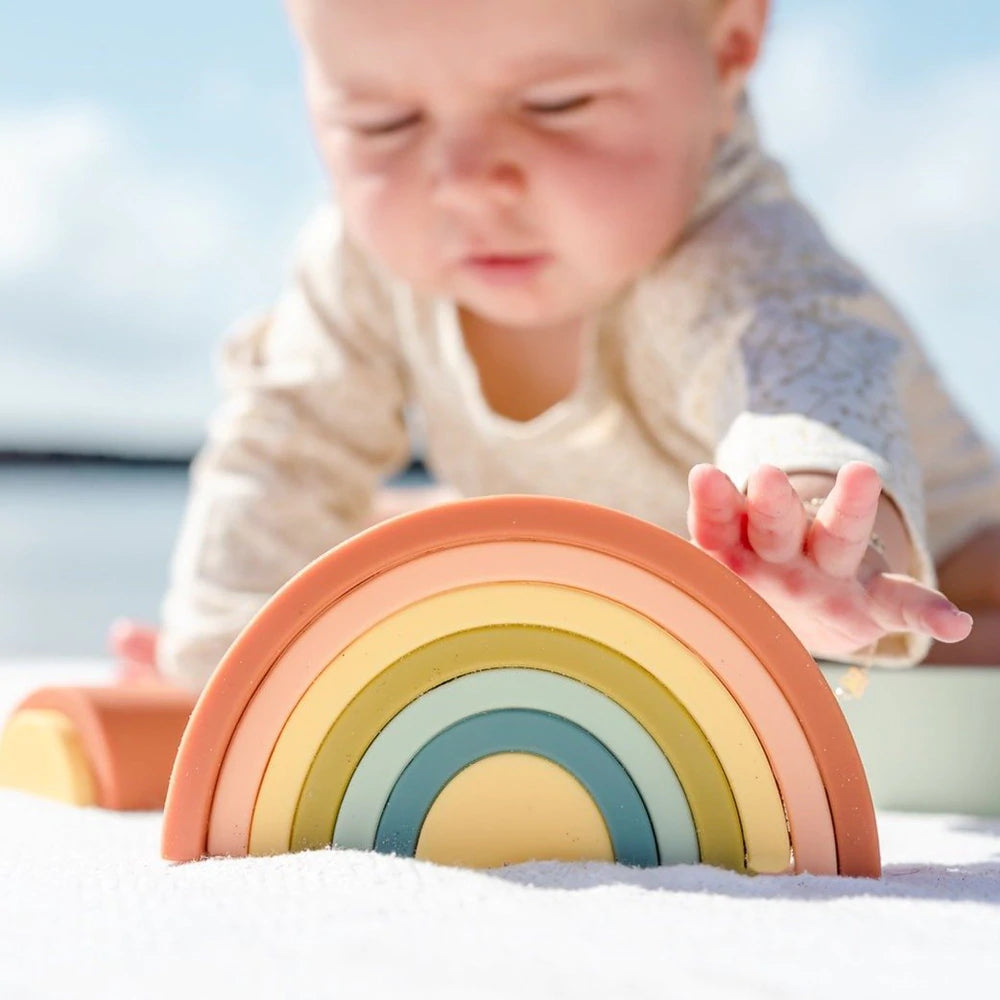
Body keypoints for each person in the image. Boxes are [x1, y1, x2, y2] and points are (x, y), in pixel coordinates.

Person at [112, 0, 1000, 691]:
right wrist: (224, 656)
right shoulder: (358, 260)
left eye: (555, 104)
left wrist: (814, 550)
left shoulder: (737, 252)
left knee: (931, 645)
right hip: (635, 563)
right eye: (384, 122)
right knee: (400, 541)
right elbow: (285, 448)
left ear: (727, 55)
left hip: (932, 556)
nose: (464, 184)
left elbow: (810, 386)